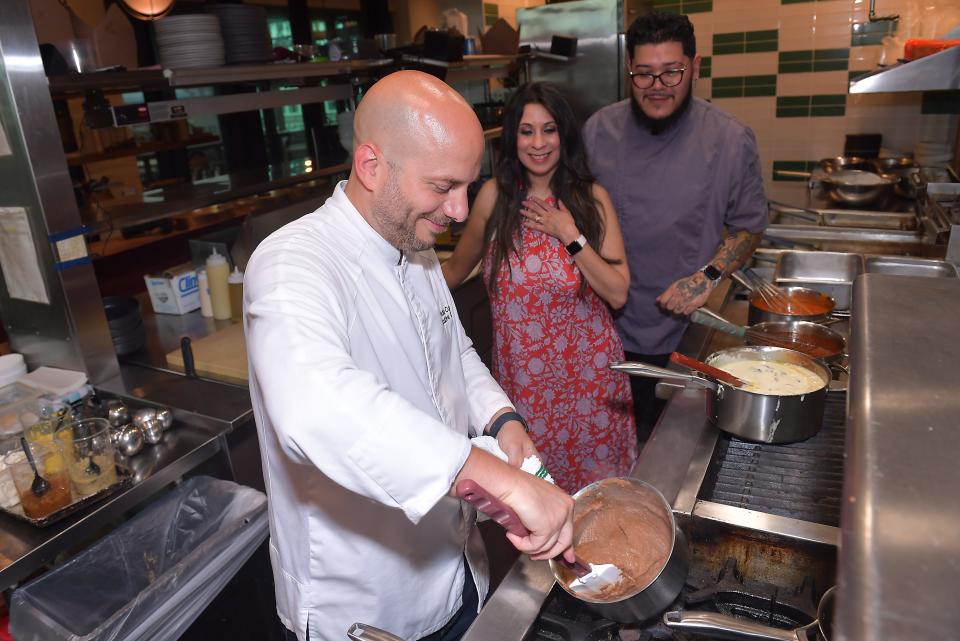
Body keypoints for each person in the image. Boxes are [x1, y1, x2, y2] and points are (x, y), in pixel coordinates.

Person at [244, 71, 575, 641]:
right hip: (369, 604)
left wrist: (502, 420)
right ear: (372, 166)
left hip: (458, 571)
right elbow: (314, 404)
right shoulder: (292, 262)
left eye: (468, 186)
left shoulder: (413, 246)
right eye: (444, 186)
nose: (459, 208)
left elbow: (457, 350)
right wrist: (503, 480)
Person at [443, 82, 636, 495]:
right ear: (513, 138)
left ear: (564, 136)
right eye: (527, 131)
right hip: (524, 389)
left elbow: (618, 292)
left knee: (596, 502)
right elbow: (455, 271)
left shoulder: (590, 199)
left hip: (589, 385)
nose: (538, 143)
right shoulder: (495, 199)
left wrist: (570, 234)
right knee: (533, 500)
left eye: (549, 130)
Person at [583, 11, 768, 442]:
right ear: (628, 71)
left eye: (672, 72)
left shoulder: (729, 140)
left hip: (686, 333)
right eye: (644, 74)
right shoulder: (597, 132)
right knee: (613, 451)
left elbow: (748, 228)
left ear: (696, 66)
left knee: (674, 452)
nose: (658, 87)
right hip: (605, 330)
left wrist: (706, 277)